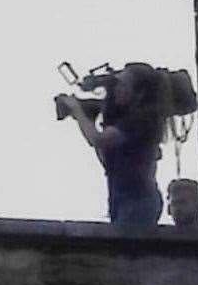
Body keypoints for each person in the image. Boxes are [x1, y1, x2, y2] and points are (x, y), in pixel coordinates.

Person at [57, 62, 169, 227]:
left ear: (139, 93)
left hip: (138, 201)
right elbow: (108, 159)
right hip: (123, 198)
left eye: (123, 85)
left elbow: (98, 140)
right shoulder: (132, 117)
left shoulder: (142, 119)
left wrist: (77, 110)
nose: (117, 89)